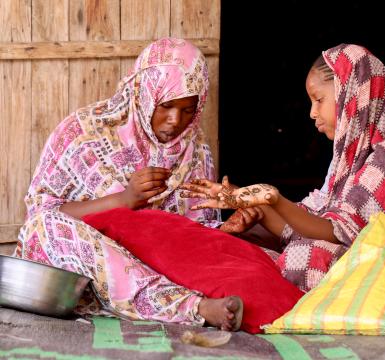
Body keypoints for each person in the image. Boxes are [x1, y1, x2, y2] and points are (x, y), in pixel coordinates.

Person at [180, 43, 385, 326]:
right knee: (248, 241)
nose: (312, 113)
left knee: (302, 258)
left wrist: (271, 199)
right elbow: (320, 214)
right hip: (373, 264)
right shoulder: (354, 152)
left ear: (351, 94)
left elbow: (340, 232)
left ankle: (265, 302)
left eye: (319, 100)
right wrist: (249, 202)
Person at [16, 37, 242, 331]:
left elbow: (195, 233)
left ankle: (174, 302)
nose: (176, 120)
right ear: (144, 93)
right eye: (167, 106)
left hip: (157, 262)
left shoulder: (195, 152)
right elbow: (39, 214)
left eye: (188, 110)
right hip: (81, 271)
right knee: (45, 227)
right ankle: (192, 307)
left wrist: (228, 228)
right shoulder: (84, 131)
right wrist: (123, 200)